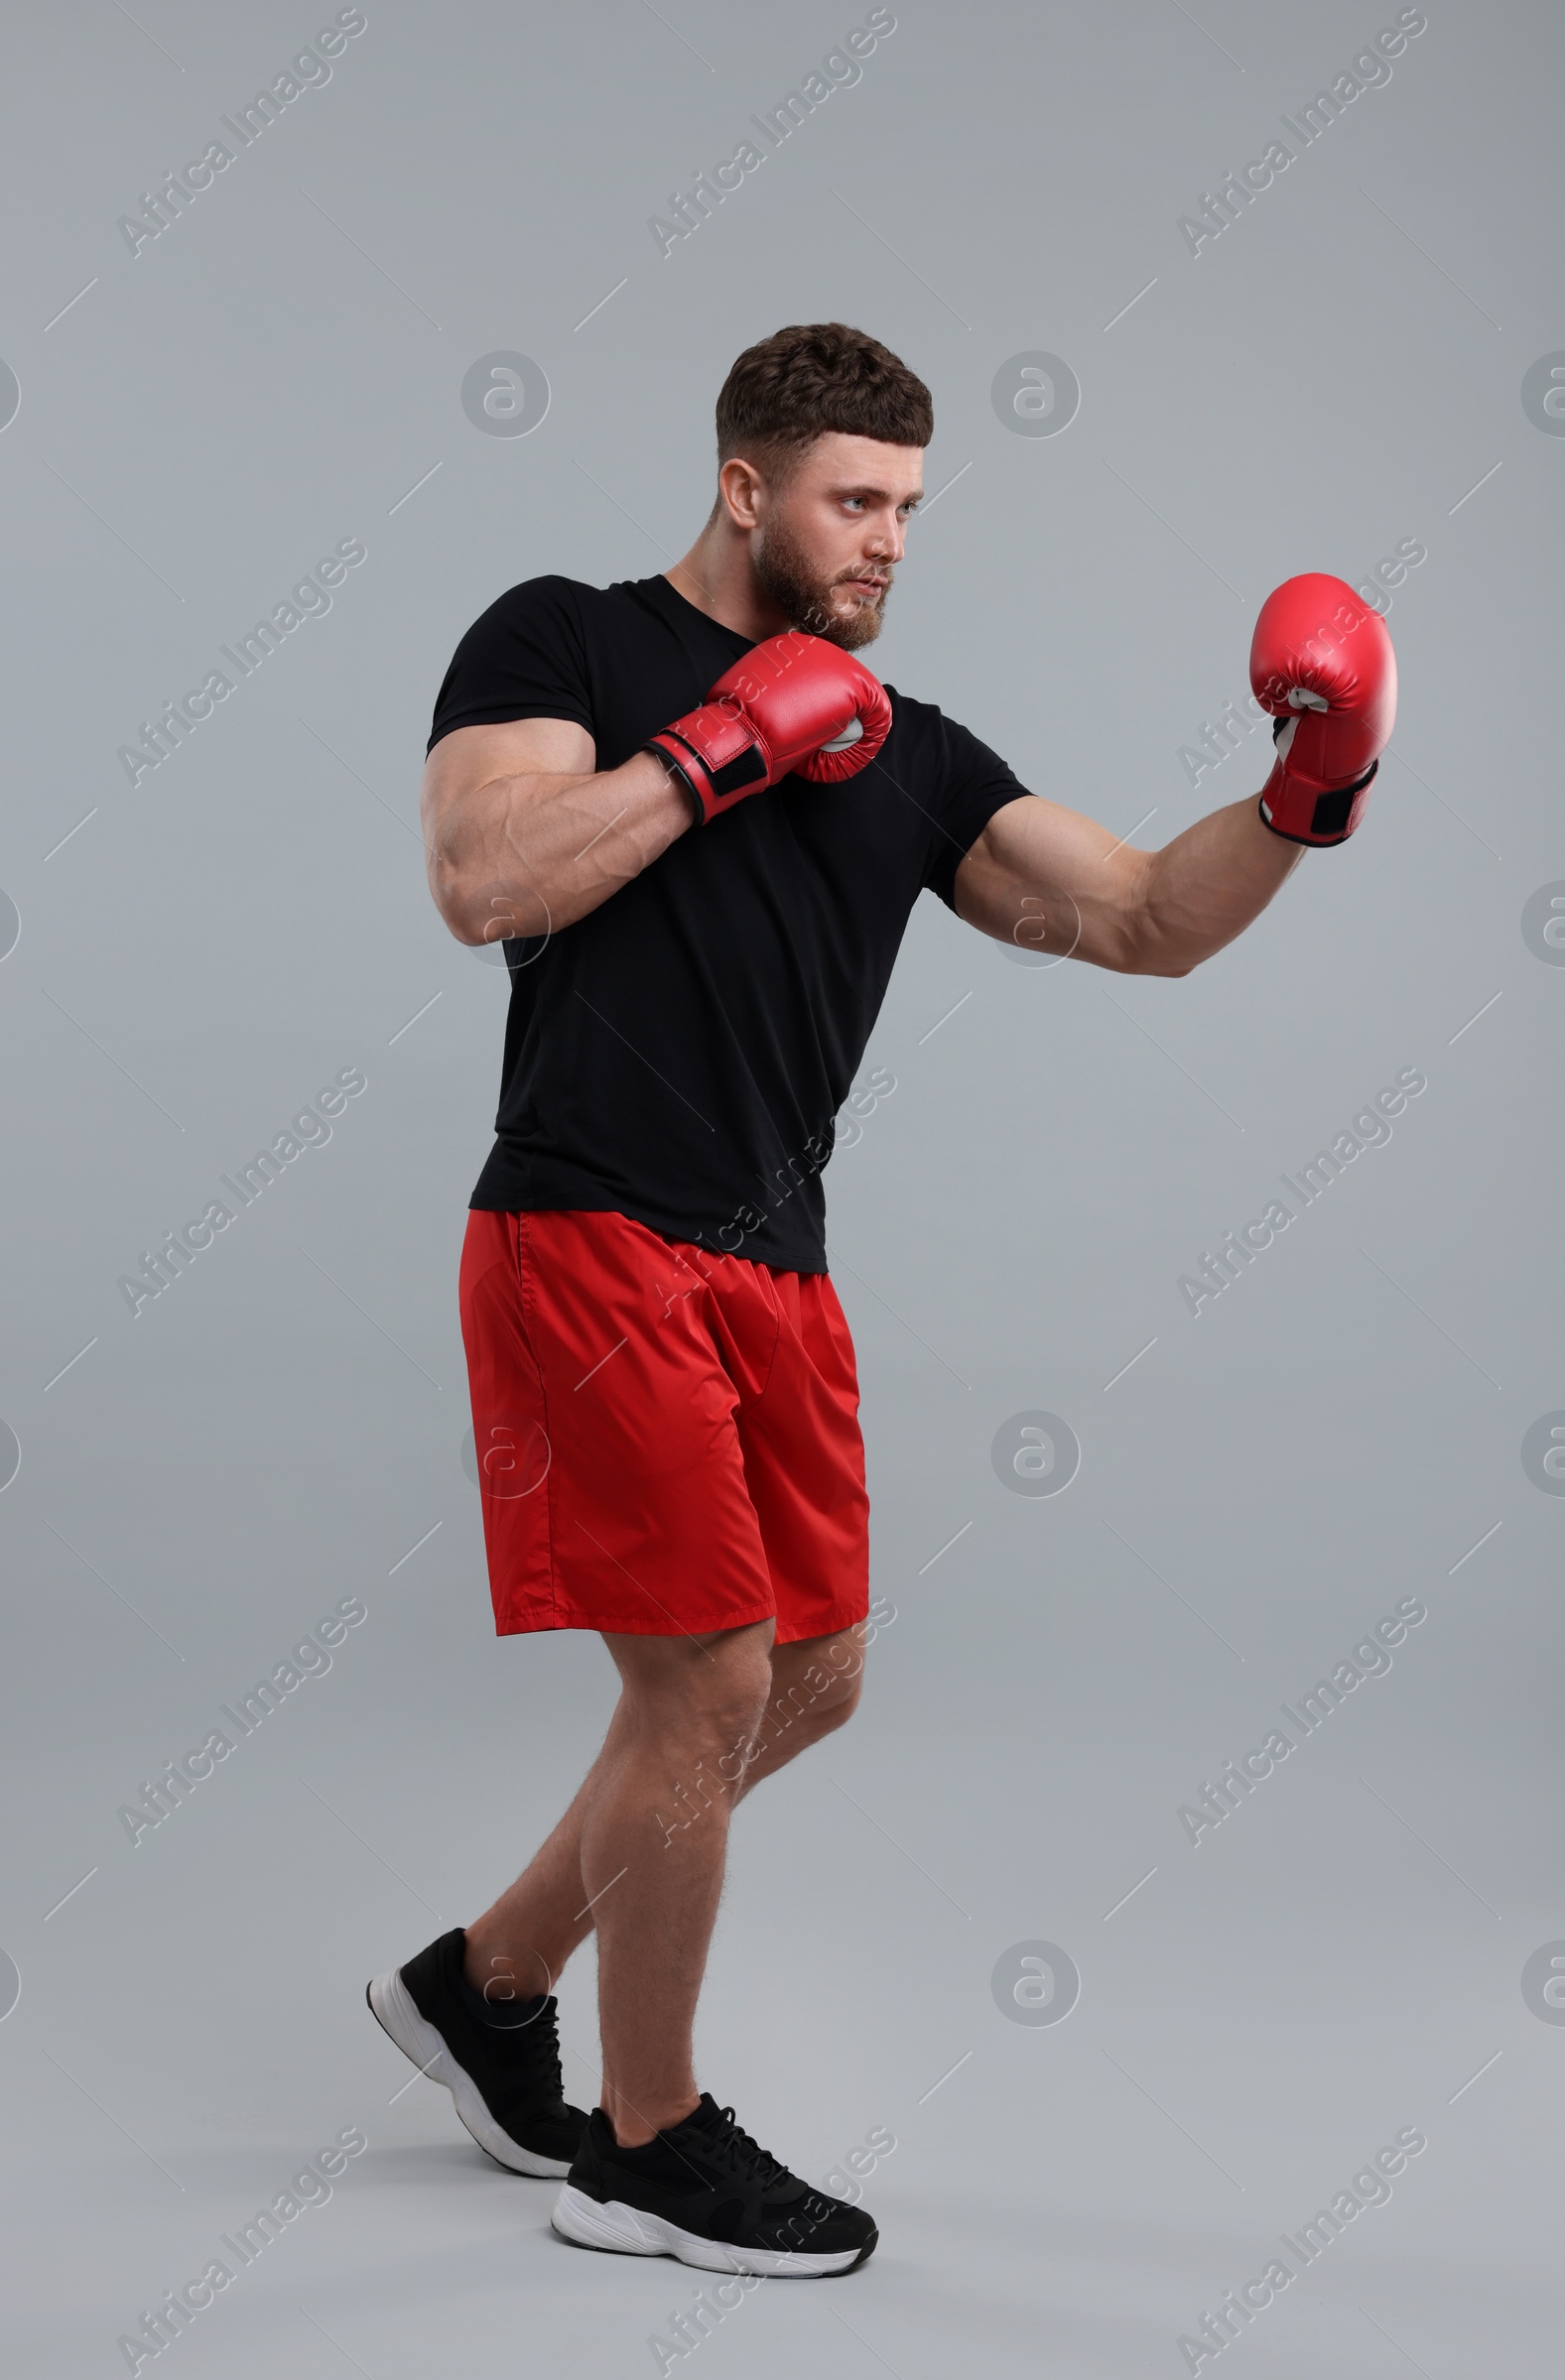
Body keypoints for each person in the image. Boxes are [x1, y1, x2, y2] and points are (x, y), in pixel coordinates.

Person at [366, 321, 1396, 2278]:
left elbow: (1132, 919)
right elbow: (481, 875)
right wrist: (711, 749)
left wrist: (1299, 792)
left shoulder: (901, 745)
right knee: (707, 1685)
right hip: (587, 1232)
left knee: (811, 1672)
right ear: (742, 484)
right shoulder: (561, 640)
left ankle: (486, 1985)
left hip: (772, 1264)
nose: (887, 541)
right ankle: (645, 2146)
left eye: (909, 509)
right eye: (854, 499)